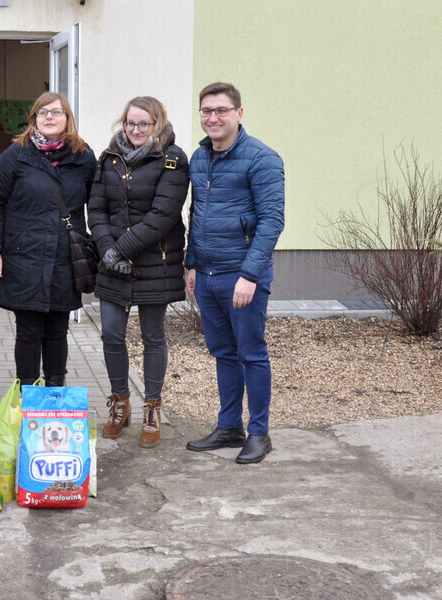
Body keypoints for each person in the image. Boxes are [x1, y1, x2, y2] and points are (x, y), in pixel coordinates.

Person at [184, 82, 285, 464]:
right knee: (223, 353)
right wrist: (191, 262)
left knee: (251, 354)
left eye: (221, 110)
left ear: (238, 114)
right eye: (206, 110)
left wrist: (250, 274)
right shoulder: (199, 157)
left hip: (240, 275)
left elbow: (272, 221)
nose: (213, 117)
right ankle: (229, 427)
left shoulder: (263, 158)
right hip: (206, 275)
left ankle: (259, 432)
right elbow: (197, 213)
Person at [88, 96, 189, 448]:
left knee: (152, 336)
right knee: (111, 334)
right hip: (112, 262)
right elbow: (96, 208)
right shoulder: (109, 157)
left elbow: (163, 216)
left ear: (157, 125)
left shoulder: (173, 160)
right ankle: (120, 401)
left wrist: (121, 249)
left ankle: (152, 406)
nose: (134, 130)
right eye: (130, 123)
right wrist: (106, 249)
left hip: (154, 262)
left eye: (143, 124)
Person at [0, 92, 96, 386]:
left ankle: (56, 392)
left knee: (57, 331)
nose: (49, 117)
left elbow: (96, 204)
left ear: (67, 118)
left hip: (64, 258)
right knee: (29, 332)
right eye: (43, 112)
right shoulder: (15, 155)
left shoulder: (83, 157)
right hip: (24, 256)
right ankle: (28, 392)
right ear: (33, 118)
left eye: (56, 112)